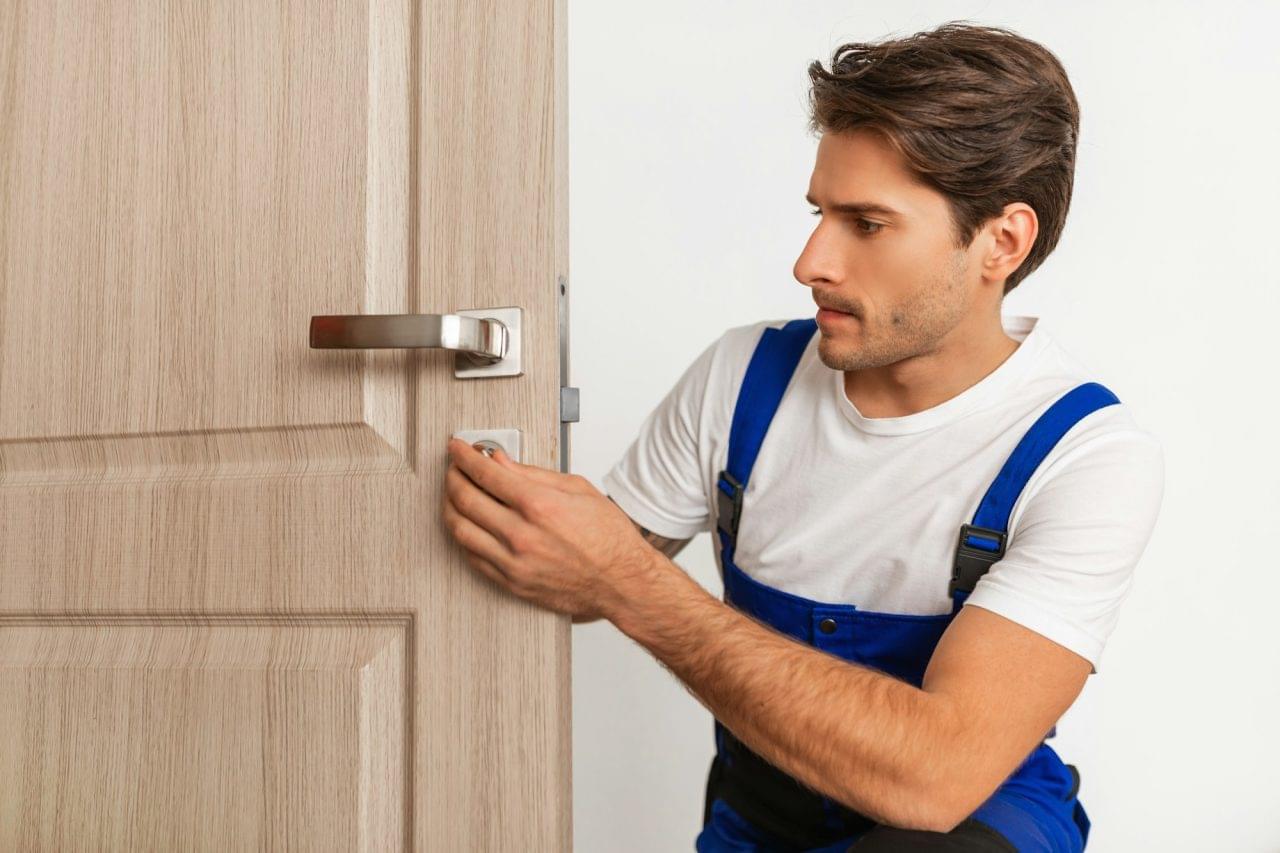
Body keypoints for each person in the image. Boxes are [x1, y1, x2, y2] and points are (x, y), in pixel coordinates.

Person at [441, 19, 1164, 852]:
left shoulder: (1085, 456)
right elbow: (573, 571)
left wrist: (631, 585)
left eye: (867, 223)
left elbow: (936, 776)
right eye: (821, 212)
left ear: (1000, 241)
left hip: (966, 825)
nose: (810, 260)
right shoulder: (743, 379)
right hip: (760, 823)